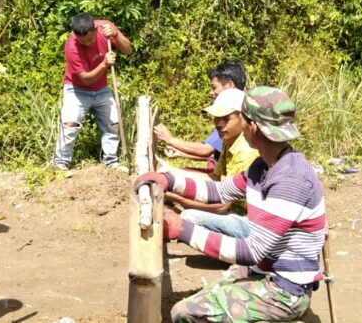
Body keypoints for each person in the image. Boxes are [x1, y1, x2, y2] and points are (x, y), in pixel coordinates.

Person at [135, 86, 326, 322]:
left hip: (285, 290)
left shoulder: (290, 180)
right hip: (264, 269)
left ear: (252, 126)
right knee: (215, 291)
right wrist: (169, 180)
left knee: (184, 313)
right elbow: (220, 191)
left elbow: (251, 250)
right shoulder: (263, 166)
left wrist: (182, 230)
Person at [163, 88, 259, 239]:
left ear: (243, 118)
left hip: (250, 221)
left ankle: (241, 254)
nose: (218, 124)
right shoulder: (229, 139)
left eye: (226, 118)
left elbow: (222, 206)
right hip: (235, 210)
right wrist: (171, 171)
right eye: (216, 117)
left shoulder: (246, 152)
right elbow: (215, 179)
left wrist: (178, 198)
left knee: (189, 217)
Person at [53, 12, 133, 171]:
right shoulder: (71, 46)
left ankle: (111, 162)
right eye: (83, 41)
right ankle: (61, 164)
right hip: (76, 90)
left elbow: (128, 50)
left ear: (95, 30)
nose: (87, 43)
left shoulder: (105, 28)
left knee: (112, 123)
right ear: (75, 36)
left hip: (101, 88)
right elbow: (86, 79)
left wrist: (116, 34)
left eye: (90, 39)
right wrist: (104, 64)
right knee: (70, 124)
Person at [154, 60, 247, 173]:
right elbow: (215, 154)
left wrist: (170, 140)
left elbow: (206, 150)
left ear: (230, 86)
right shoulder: (228, 119)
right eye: (216, 118)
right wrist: (182, 153)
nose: (211, 93)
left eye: (214, 87)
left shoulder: (232, 121)